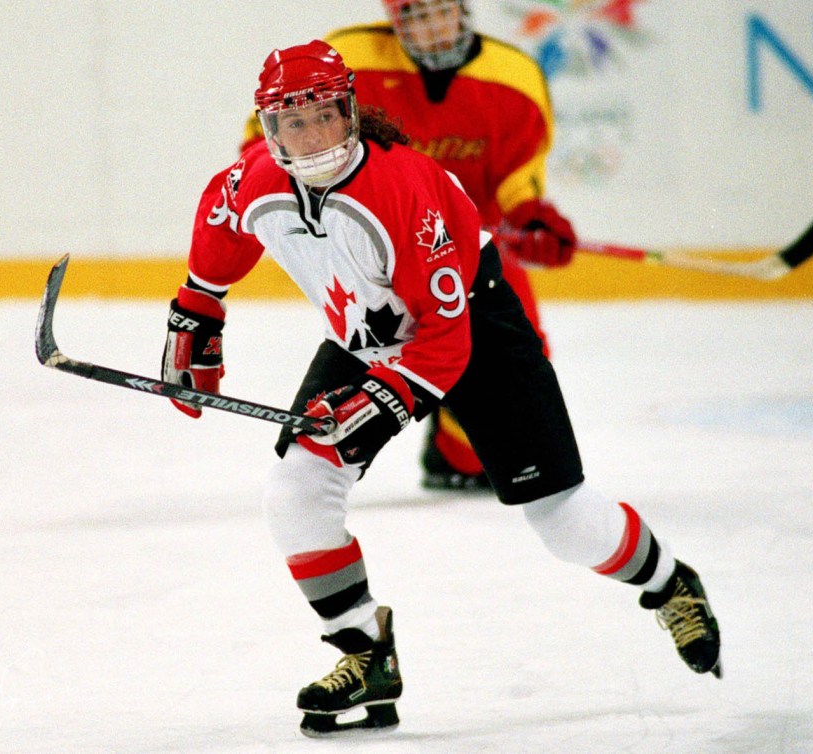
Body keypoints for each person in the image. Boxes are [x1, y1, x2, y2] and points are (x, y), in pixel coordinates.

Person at [163, 39, 721, 738]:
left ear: (352, 113)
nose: (311, 137)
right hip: (366, 332)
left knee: (562, 520)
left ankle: (670, 582)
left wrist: (375, 404)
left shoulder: (402, 189)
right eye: (292, 122)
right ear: (268, 130)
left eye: (325, 116)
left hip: (470, 330)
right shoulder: (254, 181)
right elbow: (222, 228)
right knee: (298, 486)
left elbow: (443, 342)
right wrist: (199, 312)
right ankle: (364, 653)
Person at [240, 0, 577, 493]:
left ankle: (455, 448)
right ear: (394, 20)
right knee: (372, 339)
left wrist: (531, 219)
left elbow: (517, 175)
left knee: (506, 368)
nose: (430, 29)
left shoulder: (515, 76)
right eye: (414, 17)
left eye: (439, 12)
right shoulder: (349, 57)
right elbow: (263, 143)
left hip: (466, 247)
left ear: (462, 11)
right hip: (365, 241)